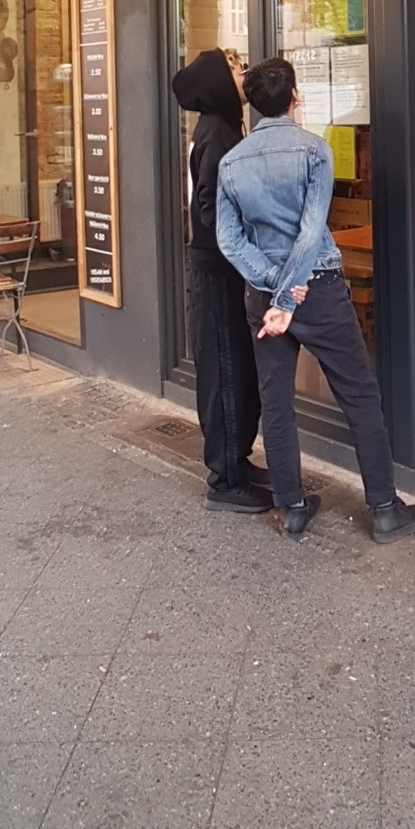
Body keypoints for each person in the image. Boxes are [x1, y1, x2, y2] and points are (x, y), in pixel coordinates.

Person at [216, 56, 415, 544]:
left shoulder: (231, 162)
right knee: (359, 393)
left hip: (263, 297)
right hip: (316, 288)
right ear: (293, 97)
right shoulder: (313, 150)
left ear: (253, 103)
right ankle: (384, 509)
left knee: (275, 401)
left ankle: (292, 506)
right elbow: (311, 231)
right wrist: (289, 294)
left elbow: (230, 240)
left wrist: (273, 287)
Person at [172, 48, 271, 514]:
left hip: (226, 268)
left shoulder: (225, 127)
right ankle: (225, 479)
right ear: (216, 81)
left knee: (238, 369)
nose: (243, 72)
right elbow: (211, 206)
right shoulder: (215, 131)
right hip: (216, 271)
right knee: (225, 372)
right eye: (234, 68)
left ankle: (237, 460)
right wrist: (243, 248)